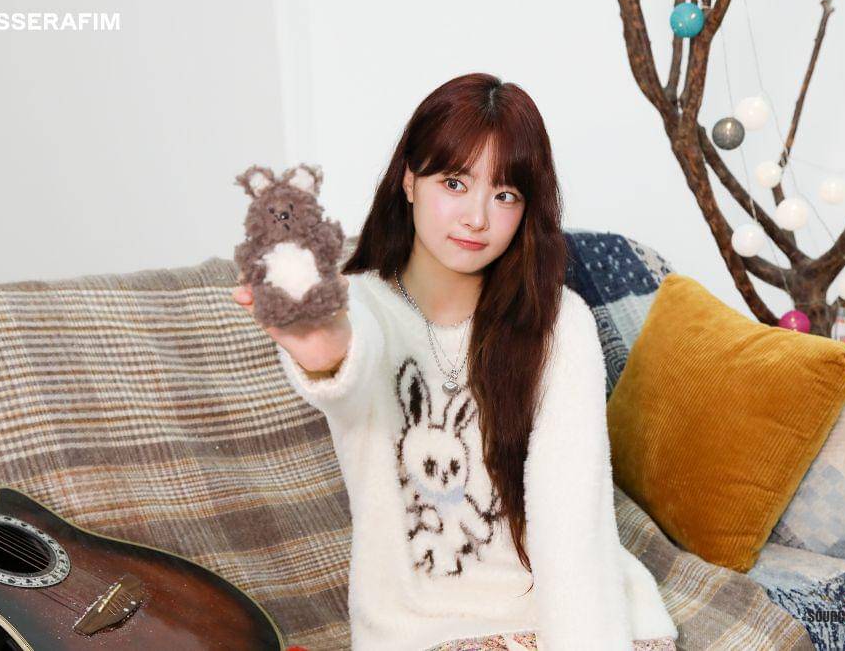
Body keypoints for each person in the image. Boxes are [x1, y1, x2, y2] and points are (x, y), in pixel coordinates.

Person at [232, 73, 678, 651]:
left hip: (574, 617)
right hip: (425, 630)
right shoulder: (360, 307)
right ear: (409, 180)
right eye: (455, 183)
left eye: (505, 195)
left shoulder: (558, 321)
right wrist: (324, 355)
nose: (477, 217)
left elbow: (572, 523)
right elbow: (349, 361)